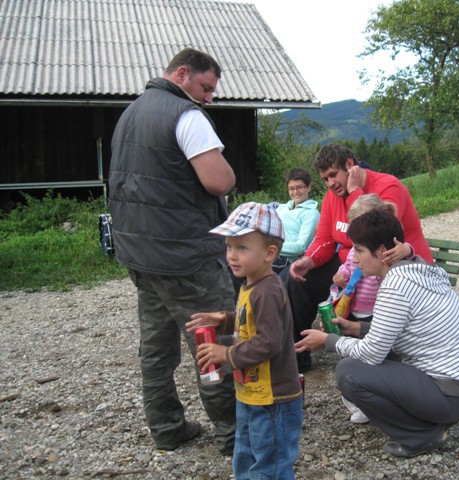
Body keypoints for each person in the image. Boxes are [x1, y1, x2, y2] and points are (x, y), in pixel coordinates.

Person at [108, 48, 237, 454]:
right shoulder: (186, 115)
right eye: (205, 87)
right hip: (186, 257)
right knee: (214, 339)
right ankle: (233, 432)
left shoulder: (130, 114)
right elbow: (218, 181)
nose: (209, 98)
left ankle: (166, 428)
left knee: (157, 348)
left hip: (140, 255)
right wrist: (229, 172)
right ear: (182, 74)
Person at [294, 209, 459, 458]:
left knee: (348, 371)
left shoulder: (395, 285)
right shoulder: (419, 269)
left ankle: (421, 435)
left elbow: (372, 353)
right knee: (378, 355)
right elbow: (398, 329)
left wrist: (329, 341)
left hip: (450, 395)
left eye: (359, 251)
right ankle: (426, 419)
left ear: (383, 251)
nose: (354, 259)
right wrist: (356, 328)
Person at [288, 143, 434, 372]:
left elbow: (378, 233)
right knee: (297, 282)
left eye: (333, 175)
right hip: (355, 263)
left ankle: (366, 347)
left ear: (350, 165)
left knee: (362, 282)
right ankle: (299, 354)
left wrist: (355, 191)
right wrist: (309, 260)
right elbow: (325, 238)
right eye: (325, 179)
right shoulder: (331, 196)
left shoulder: (388, 186)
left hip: (393, 262)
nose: (330, 184)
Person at [186, 202, 303, 480]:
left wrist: (225, 354)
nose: (232, 256)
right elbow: (248, 322)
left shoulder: (269, 290)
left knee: (270, 463)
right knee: (246, 454)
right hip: (251, 391)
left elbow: (268, 342)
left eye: (242, 248)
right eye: (229, 247)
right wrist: (223, 321)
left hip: (273, 398)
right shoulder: (250, 283)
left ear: (269, 253)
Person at [331, 194, 413, 425]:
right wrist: (342, 276)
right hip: (356, 308)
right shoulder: (354, 253)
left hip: (379, 310)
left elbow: (407, 258)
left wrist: (406, 249)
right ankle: (361, 398)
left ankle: (384, 394)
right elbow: (347, 268)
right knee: (355, 352)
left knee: (383, 352)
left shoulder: (388, 253)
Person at [273, 168, 320, 278]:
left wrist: (271, 247)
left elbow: (301, 247)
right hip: (272, 253)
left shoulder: (311, 213)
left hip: (291, 260)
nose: (295, 192)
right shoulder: (282, 208)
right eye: (291, 188)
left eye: (299, 187)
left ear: (308, 187)